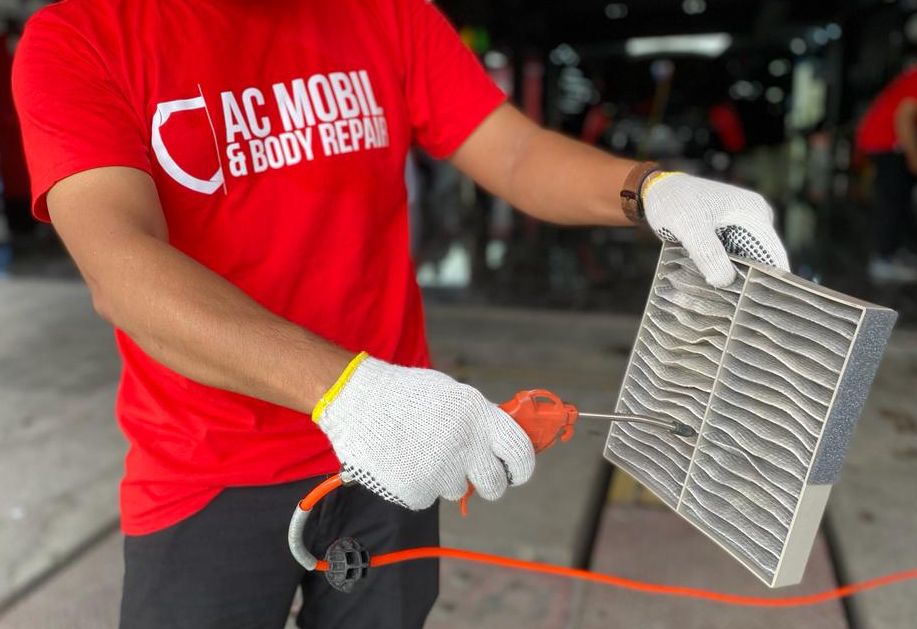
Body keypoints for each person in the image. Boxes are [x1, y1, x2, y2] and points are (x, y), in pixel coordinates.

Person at [11, 1, 789, 628]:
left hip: (397, 458)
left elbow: (514, 154)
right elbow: (122, 264)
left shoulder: (385, 13)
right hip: (211, 468)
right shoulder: (83, 35)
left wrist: (650, 189)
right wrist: (347, 390)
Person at [857, 63, 917, 282]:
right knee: (892, 200)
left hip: (884, 142)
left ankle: (896, 253)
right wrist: (913, 156)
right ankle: (882, 260)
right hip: (886, 143)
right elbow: (904, 118)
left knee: (899, 199)